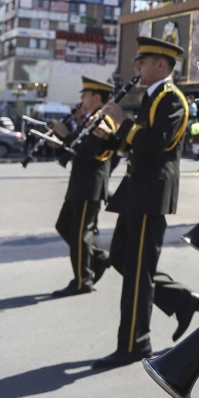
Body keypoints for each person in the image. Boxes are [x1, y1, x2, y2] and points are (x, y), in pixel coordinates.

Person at [92, 36, 199, 368]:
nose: (137, 67)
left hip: (150, 194)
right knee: (122, 260)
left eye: (142, 61)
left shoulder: (172, 99)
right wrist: (112, 133)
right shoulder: (153, 97)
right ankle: (181, 299)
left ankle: (134, 343)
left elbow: (156, 143)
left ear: (161, 64)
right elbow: (138, 143)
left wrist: (122, 122)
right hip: (136, 192)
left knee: (138, 272)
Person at [48, 77, 116, 297]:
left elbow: (88, 151)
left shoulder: (103, 119)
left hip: (90, 185)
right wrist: (58, 140)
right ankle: (98, 257)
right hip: (79, 182)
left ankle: (82, 281)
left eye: (85, 94)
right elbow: (76, 146)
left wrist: (66, 136)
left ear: (97, 97)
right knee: (64, 225)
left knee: (80, 235)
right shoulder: (90, 118)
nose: (81, 98)